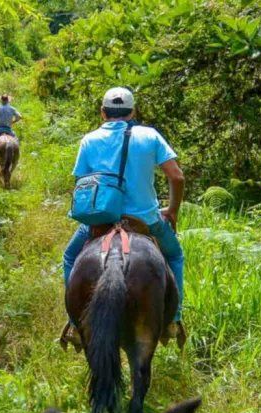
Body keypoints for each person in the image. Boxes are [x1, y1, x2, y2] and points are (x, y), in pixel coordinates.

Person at [62, 87, 186, 345]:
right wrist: (172, 210)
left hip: (100, 221)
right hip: (146, 221)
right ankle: (173, 319)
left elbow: (81, 184)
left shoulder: (90, 140)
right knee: (174, 255)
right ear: (133, 112)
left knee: (70, 257)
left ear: (102, 112)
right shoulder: (150, 135)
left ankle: (75, 326)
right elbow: (176, 176)